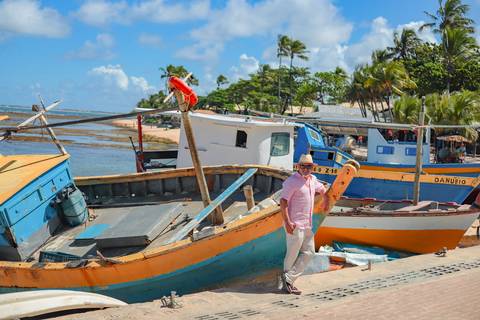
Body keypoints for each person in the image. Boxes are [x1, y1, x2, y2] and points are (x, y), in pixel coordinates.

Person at [279, 154, 328, 295]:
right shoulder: (291, 182)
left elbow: (322, 189)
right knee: (292, 255)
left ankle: (288, 279)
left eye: (309, 166)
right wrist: (287, 222)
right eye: (303, 166)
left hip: (307, 224)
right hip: (294, 224)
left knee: (310, 252)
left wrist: (325, 199)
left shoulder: (313, 180)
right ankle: (288, 283)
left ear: (312, 168)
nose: (306, 169)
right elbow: (283, 202)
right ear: (298, 167)